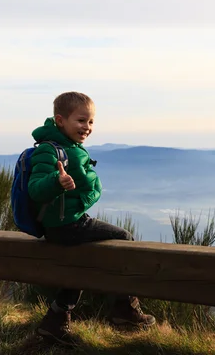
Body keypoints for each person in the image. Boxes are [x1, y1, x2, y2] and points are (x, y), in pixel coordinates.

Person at [28, 91, 156, 345]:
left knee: (82, 262)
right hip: (67, 225)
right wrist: (57, 181)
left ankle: (55, 321)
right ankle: (124, 308)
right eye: (81, 120)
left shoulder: (71, 148)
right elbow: (35, 188)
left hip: (66, 224)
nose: (87, 127)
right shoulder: (49, 150)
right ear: (60, 120)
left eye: (91, 122)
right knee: (124, 238)